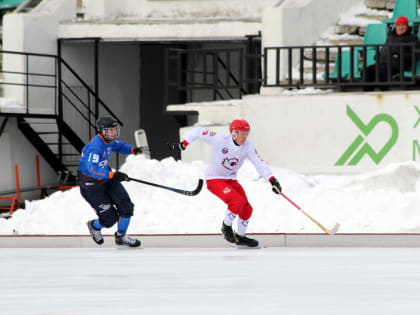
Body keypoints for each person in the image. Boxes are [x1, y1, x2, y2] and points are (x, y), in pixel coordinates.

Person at [169, 119, 282, 248]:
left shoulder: (248, 146)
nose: (244, 137)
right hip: (214, 179)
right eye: (241, 133)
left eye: (246, 133)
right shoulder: (219, 140)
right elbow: (198, 131)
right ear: (233, 133)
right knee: (236, 201)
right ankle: (226, 227)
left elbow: (259, 163)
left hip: (231, 180)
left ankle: (240, 238)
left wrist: (272, 179)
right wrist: (183, 144)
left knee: (247, 209)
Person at [78, 116, 149, 247]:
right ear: (102, 131)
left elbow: (119, 146)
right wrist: (112, 174)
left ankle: (121, 237)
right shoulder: (94, 147)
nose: (114, 133)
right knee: (109, 219)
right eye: (110, 130)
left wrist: (132, 150)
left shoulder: (109, 141)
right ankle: (94, 226)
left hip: (107, 179)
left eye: (114, 130)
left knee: (126, 207)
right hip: (91, 186)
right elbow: (93, 170)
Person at [363, 16, 420, 90]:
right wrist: (378, 55)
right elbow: (384, 48)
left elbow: (416, 54)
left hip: (398, 63)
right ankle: (368, 93)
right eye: (399, 25)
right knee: (366, 71)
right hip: (383, 62)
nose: (400, 27)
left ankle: (383, 93)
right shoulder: (391, 37)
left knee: (382, 70)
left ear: (407, 27)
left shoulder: (412, 38)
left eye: (403, 25)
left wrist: (400, 56)